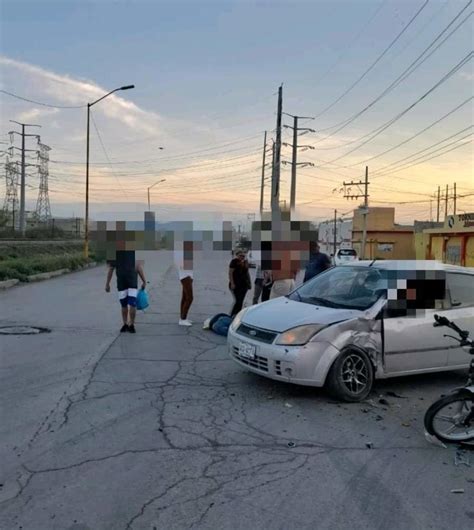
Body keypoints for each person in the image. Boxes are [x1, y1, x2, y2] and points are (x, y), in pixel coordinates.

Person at [105, 250, 146, 334]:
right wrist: (144, 281)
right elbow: (138, 267)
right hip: (130, 281)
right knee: (132, 303)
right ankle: (130, 325)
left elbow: (111, 269)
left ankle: (126, 324)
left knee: (125, 304)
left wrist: (107, 284)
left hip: (123, 282)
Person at [175, 241, 194, 326]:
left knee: (185, 297)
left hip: (188, 275)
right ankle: (183, 319)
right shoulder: (179, 251)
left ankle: (182, 317)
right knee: (190, 298)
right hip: (184, 275)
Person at [229, 250, 251, 316]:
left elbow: (247, 273)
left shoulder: (246, 262)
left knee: (241, 301)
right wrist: (232, 283)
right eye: (240, 255)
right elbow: (230, 273)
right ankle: (232, 314)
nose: (242, 257)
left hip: (244, 285)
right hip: (236, 284)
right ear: (237, 255)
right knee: (237, 301)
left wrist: (249, 283)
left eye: (243, 256)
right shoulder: (234, 262)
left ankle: (237, 314)